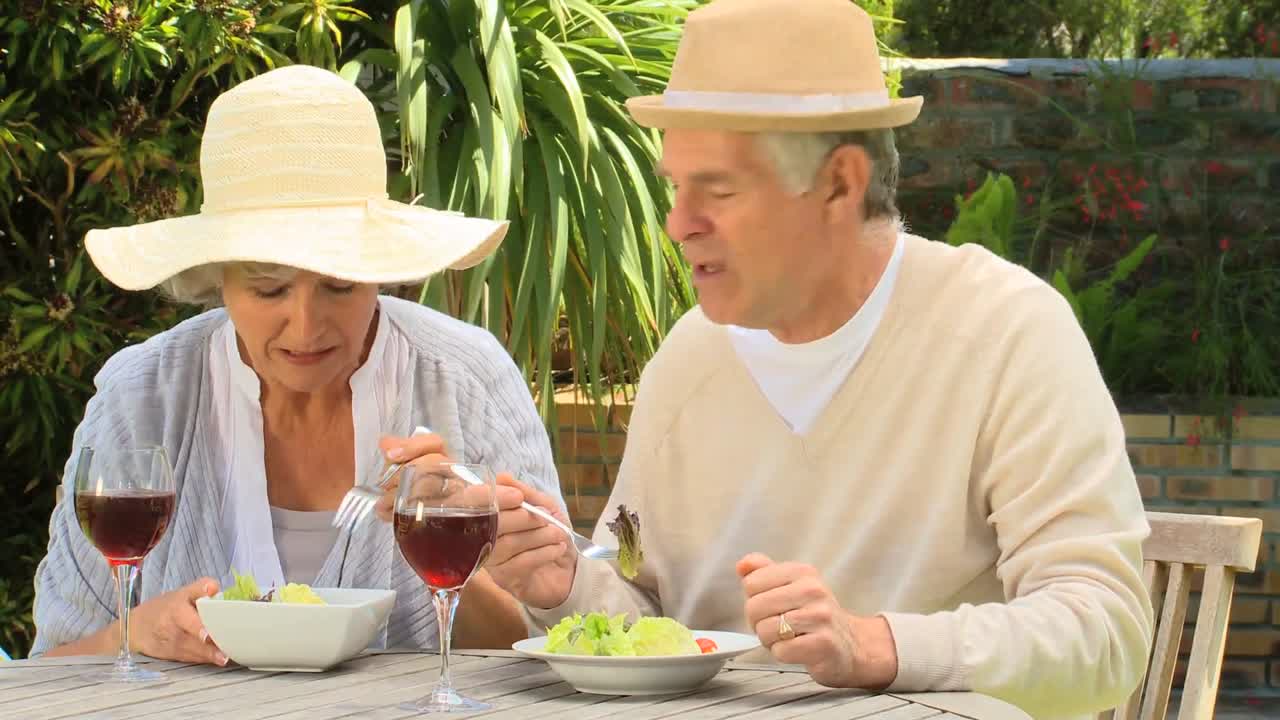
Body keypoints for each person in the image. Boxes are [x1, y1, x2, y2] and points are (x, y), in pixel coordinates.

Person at [483, 0, 1153, 717]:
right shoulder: (688, 359)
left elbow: (1104, 632)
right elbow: (643, 592)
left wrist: (876, 646)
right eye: (676, 187)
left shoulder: (1005, 332)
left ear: (839, 183)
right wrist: (565, 585)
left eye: (719, 189)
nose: (679, 224)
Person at [30, 64, 564, 664]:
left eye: (339, 288)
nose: (306, 327)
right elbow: (51, 667)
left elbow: (549, 650)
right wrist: (137, 634)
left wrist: (466, 559)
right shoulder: (141, 396)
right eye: (268, 290)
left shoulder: (464, 378)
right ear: (216, 279)